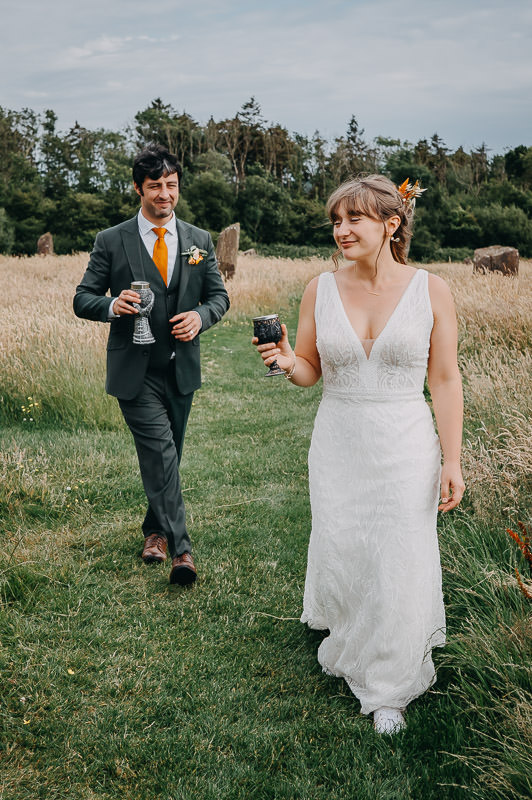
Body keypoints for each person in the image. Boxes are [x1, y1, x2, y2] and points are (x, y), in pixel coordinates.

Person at [253, 175, 464, 734]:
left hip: (405, 438)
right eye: (337, 221)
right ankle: (350, 629)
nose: (342, 230)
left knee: (398, 546)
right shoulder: (319, 289)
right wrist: (282, 361)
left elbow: (444, 380)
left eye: (355, 220)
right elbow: (310, 371)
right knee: (345, 539)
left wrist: (452, 460)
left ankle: (391, 684)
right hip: (339, 437)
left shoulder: (431, 289)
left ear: (390, 225)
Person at [74, 143, 229, 585]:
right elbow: (81, 299)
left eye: (171, 185)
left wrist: (201, 316)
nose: (165, 194)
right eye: (155, 186)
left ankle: (154, 532)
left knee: (168, 457)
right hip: (134, 371)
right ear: (138, 189)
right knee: (161, 452)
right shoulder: (111, 240)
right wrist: (111, 303)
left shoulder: (198, 241)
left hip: (181, 369)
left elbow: (219, 297)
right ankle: (182, 550)